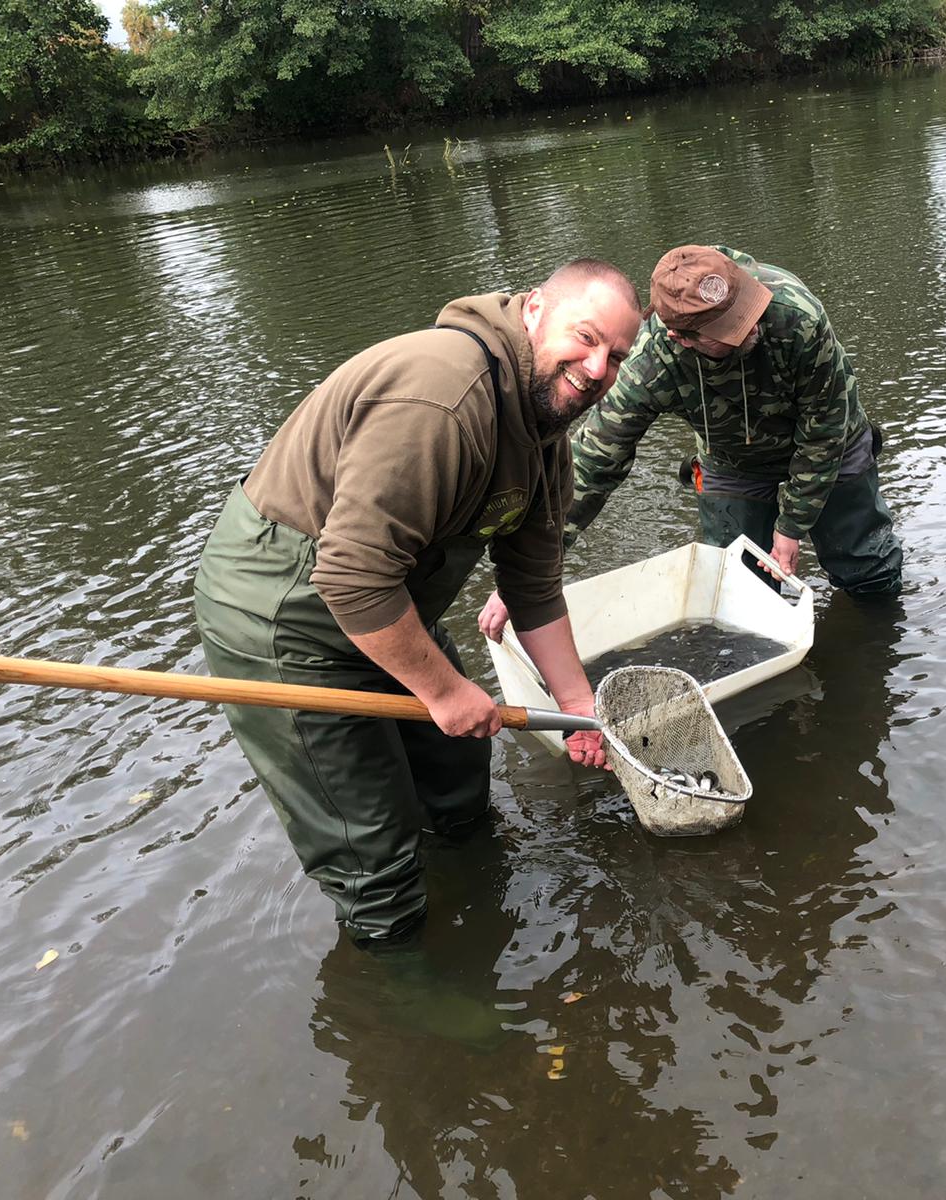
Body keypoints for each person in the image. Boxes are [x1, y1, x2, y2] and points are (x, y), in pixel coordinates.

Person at [193, 259, 641, 948]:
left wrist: (576, 705)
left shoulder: (544, 434)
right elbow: (349, 577)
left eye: (616, 356)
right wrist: (445, 690)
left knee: (458, 778)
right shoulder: (446, 397)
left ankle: (474, 914)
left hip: (389, 606)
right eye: (585, 337)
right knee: (371, 847)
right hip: (286, 617)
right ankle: (405, 983)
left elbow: (533, 585)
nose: (596, 367)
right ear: (532, 313)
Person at [477, 244, 902, 643]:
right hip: (733, 460)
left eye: (745, 311)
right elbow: (593, 465)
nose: (750, 325)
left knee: (867, 568)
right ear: (682, 338)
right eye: (730, 329)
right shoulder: (649, 365)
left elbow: (824, 425)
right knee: (740, 588)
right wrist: (524, 580)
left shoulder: (796, 315)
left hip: (833, 442)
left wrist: (791, 526)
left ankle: (877, 646)